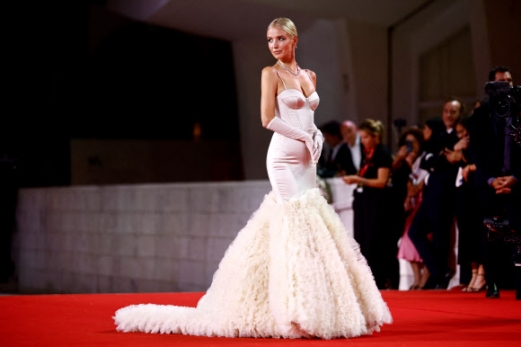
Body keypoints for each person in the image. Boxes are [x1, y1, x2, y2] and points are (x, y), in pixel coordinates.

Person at [114, 17, 392, 338]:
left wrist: (314, 135)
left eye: (279, 39)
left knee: (312, 226)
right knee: (293, 225)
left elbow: (308, 115)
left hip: (308, 160)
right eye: (269, 40)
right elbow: (266, 118)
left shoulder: (309, 75)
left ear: (294, 40)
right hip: (283, 157)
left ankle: (318, 305)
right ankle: (296, 311)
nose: (274, 45)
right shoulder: (269, 73)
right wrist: (304, 136)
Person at [470, 66, 520, 300]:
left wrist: (515, 178)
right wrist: (492, 180)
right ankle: (493, 284)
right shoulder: (480, 115)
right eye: (500, 82)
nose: (505, 87)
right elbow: (476, 152)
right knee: (490, 234)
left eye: (508, 82)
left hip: (516, 182)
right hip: (489, 183)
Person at [408, 97, 464, 289]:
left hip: (445, 193)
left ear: (459, 114)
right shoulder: (440, 136)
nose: (448, 115)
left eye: (453, 111)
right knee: (415, 231)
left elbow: (440, 161)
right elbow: (427, 161)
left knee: (441, 238)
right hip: (430, 193)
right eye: (446, 111)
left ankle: (439, 276)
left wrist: (437, 159)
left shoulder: (459, 136)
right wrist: (440, 158)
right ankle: (440, 271)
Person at [342, 119, 393, 289]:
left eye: (365, 137)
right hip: (364, 202)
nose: (362, 141)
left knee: (374, 241)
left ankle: (378, 279)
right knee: (362, 240)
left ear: (375, 137)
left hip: (377, 203)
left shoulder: (382, 153)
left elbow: (381, 181)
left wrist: (358, 179)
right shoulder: (367, 153)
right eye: (361, 138)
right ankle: (365, 280)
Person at [446, 114, 486, 292]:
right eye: (458, 133)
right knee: (466, 234)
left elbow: (487, 164)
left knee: (476, 233)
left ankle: (481, 275)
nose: (462, 136)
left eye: (464, 132)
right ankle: (473, 272)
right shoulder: (463, 145)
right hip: (463, 191)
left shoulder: (479, 144)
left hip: (476, 191)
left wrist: (466, 161)